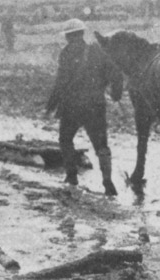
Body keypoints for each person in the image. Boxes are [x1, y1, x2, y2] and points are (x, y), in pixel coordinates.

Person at [46, 18, 124, 194]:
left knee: (65, 139)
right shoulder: (96, 51)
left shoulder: (65, 54)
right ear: (82, 33)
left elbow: (61, 82)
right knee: (101, 145)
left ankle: (72, 176)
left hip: (71, 106)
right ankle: (108, 183)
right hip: (95, 106)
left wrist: (51, 104)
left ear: (67, 36)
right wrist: (116, 94)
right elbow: (116, 74)